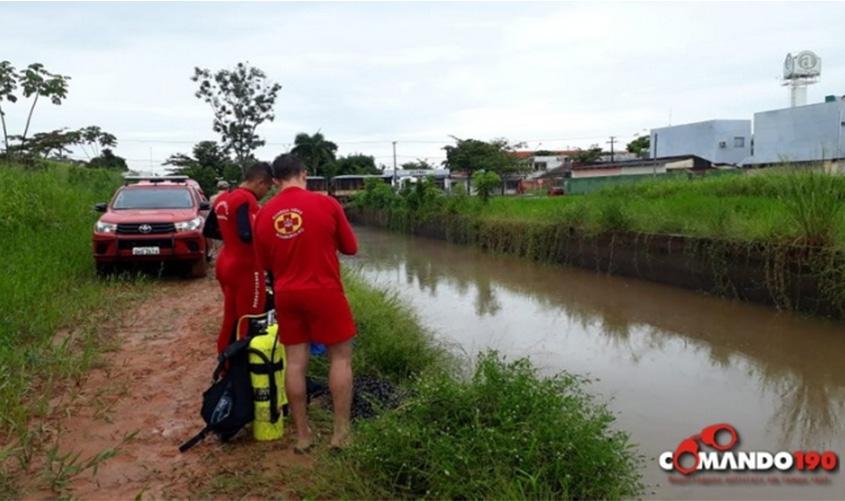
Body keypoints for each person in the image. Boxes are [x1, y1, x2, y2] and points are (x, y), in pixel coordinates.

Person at [254, 154, 358, 452]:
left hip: (287, 294)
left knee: (295, 364)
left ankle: (303, 436)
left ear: (275, 181)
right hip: (325, 291)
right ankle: (340, 434)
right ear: (304, 174)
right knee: (340, 359)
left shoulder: (264, 213)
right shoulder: (327, 204)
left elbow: (264, 264)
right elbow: (350, 248)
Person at [212, 162, 273, 354]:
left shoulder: (223, 199)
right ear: (259, 182)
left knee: (231, 318)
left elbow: (209, 230)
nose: (266, 192)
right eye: (268, 187)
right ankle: (244, 372)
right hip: (246, 268)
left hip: (226, 262)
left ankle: (225, 362)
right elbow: (247, 234)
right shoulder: (246, 200)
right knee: (250, 320)